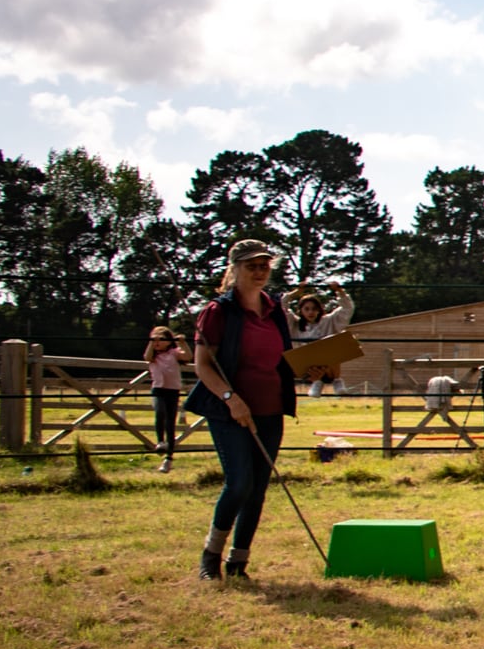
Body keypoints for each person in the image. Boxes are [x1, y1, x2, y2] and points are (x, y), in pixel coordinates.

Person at [192, 239, 296, 582]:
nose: (259, 272)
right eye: (251, 266)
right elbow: (203, 366)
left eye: (264, 265)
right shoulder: (218, 312)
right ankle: (211, 555)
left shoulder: (275, 310)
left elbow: (282, 359)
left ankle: (239, 561)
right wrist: (229, 398)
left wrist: (312, 368)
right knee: (238, 484)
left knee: (258, 488)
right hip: (230, 411)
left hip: (271, 408)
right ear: (234, 269)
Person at [287, 281, 354, 396]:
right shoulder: (295, 324)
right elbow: (282, 308)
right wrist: (296, 292)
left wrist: (339, 291)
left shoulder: (328, 321)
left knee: (334, 343)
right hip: (306, 365)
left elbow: (347, 309)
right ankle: (316, 382)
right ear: (301, 311)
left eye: (314, 309)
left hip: (330, 365)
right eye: (306, 309)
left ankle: (336, 381)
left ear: (319, 310)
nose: (311, 312)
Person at [143, 326, 190, 473]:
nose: (157, 342)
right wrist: (151, 343)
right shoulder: (153, 355)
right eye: (154, 338)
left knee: (171, 422)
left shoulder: (174, 353)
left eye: (161, 339)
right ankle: (160, 441)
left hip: (173, 390)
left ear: (169, 342)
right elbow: (147, 357)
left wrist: (182, 343)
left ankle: (169, 458)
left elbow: (187, 356)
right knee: (160, 412)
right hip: (158, 388)